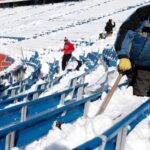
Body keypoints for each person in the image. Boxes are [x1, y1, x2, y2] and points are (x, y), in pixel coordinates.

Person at [115, 4, 150, 96]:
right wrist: (123, 56)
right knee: (135, 100)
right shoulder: (143, 13)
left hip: (144, 69)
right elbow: (125, 32)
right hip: (136, 65)